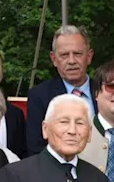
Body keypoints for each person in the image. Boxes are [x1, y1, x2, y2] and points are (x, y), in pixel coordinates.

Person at [25, 26, 97, 158]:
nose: (71, 61)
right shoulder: (39, 96)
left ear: (89, 56)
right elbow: (35, 148)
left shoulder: (105, 91)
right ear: (54, 59)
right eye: (64, 55)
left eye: (77, 54)